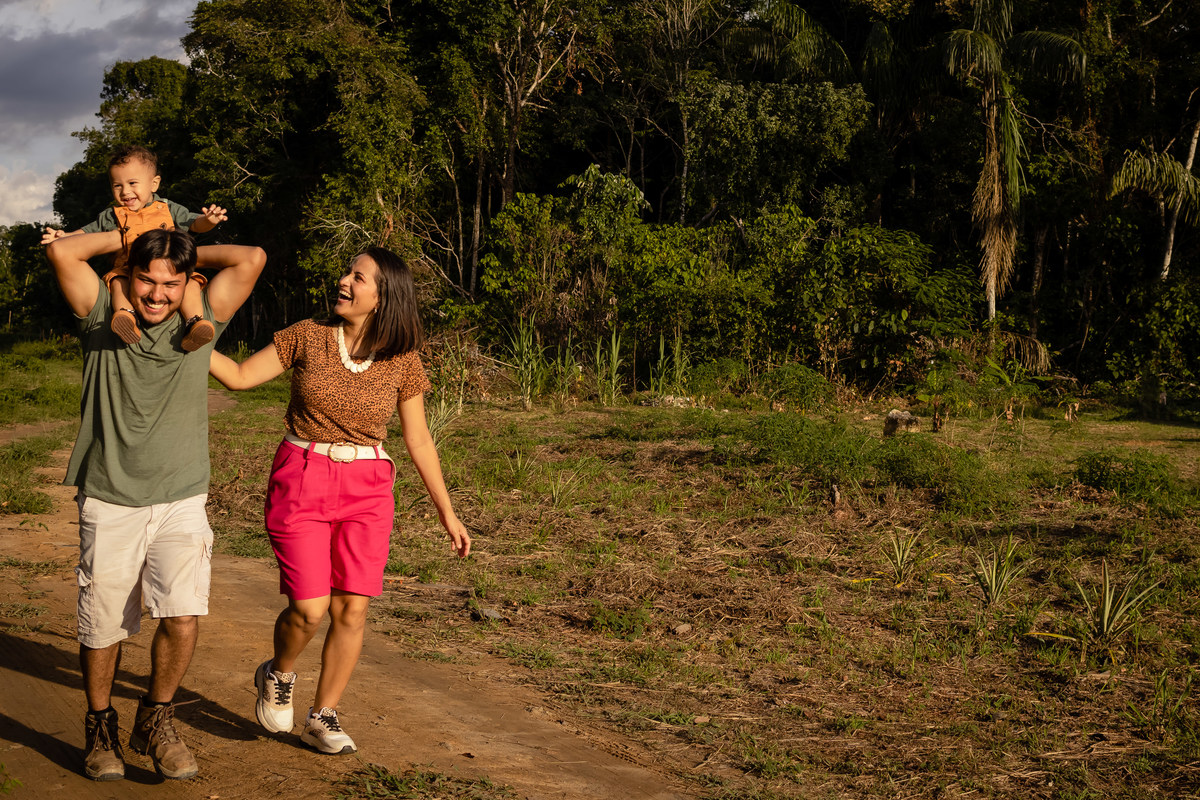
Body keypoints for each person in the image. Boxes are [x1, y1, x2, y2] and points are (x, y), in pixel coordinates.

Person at [208, 245, 471, 755]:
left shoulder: (403, 361)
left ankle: (323, 714)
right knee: (309, 607)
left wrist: (447, 511)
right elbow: (240, 377)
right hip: (302, 475)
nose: (344, 282)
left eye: (359, 277)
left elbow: (418, 439)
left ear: (384, 297)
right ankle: (278, 672)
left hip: (369, 485)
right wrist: (186, 345)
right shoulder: (306, 335)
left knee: (352, 608)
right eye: (347, 273)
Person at [45, 227, 266, 781]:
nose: (157, 294)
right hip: (109, 494)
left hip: (181, 493)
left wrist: (183, 247)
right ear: (127, 274)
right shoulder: (100, 313)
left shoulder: (203, 321)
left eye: (171, 283)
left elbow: (251, 257)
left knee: (183, 616)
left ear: (188, 284)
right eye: (147, 278)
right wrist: (130, 239)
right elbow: (63, 251)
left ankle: (155, 718)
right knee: (103, 626)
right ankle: (100, 730)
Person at [41, 144, 228, 351]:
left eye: (132, 183)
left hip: (169, 270)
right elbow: (87, 232)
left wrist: (209, 220)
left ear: (154, 183)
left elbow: (194, 224)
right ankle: (125, 317)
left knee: (190, 283)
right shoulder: (112, 215)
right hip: (128, 268)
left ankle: (195, 323)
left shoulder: (167, 208)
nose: (125, 191)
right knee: (118, 283)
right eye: (117, 185)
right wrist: (64, 236)